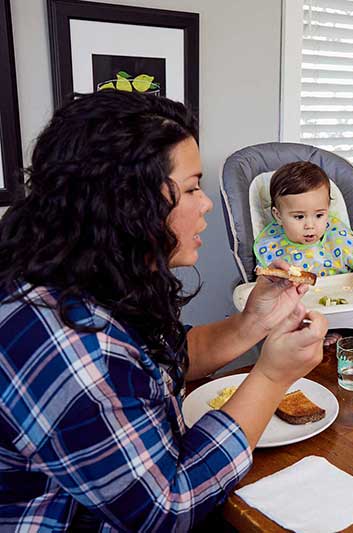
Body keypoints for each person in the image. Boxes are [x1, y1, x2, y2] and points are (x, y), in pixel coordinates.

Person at [0, 90, 327, 531]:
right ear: (129, 201)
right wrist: (271, 376)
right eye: (192, 187)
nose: (206, 202)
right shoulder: (69, 339)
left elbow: (159, 361)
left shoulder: (90, 271)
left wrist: (254, 323)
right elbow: (168, 509)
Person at [254, 161, 353, 297]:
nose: (310, 225)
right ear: (278, 216)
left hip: (343, 302)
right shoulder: (273, 249)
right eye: (299, 217)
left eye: (319, 215)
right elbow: (262, 286)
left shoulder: (336, 240)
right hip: (295, 309)